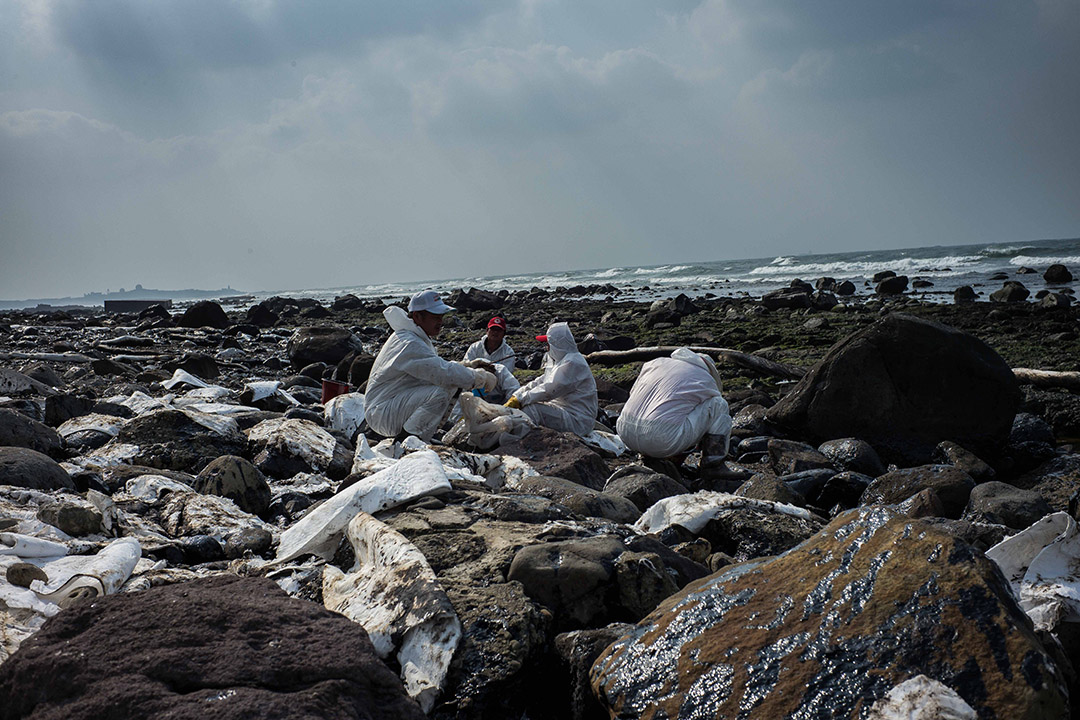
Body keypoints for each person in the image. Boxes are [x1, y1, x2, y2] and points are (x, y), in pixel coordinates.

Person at [365, 290, 497, 442]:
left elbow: (432, 367)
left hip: (389, 405)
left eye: (441, 316)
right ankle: (408, 441)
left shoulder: (413, 337)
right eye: (435, 317)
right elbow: (442, 372)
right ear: (417, 316)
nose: (440, 321)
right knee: (443, 389)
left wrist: (467, 365)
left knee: (449, 383)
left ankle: (418, 436)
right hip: (382, 413)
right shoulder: (409, 343)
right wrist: (479, 377)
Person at [616, 347, 733, 478]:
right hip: (661, 439)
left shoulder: (655, 363)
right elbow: (711, 415)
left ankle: (646, 455)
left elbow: (633, 393)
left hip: (624, 432)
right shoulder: (704, 377)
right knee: (719, 404)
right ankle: (713, 465)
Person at [505, 322, 597, 437]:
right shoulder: (561, 360)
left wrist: (521, 399)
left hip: (578, 420)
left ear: (556, 344)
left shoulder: (573, 362)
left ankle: (518, 441)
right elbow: (541, 380)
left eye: (548, 343)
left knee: (532, 409)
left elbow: (549, 389)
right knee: (527, 406)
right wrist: (517, 395)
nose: (546, 347)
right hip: (566, 412)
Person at [462, 316, 520, 403]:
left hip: (497, 394)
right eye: (493, 329)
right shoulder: (475, 347)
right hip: (474, 389)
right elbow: (465, 368)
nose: (495, 332)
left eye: (499, 330)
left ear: (504, 334)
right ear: (487, 331)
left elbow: (506, 376)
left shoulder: (508, 352)